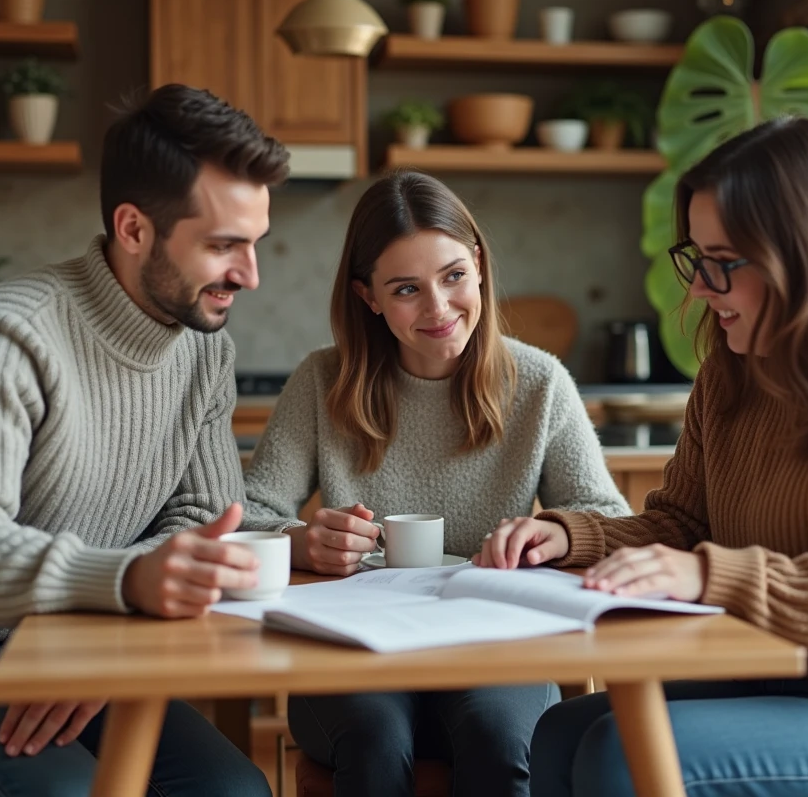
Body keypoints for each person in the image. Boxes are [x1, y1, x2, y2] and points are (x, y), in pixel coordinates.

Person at [477, 116, 808, 796]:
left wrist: (709, 577)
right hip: (784, 682)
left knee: (617, 755)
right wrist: (567, 535)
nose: (699, 288)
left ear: (807, 255)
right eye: (695, 259)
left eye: (723, 264)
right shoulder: (733, 373)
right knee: (558, 733)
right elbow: (682, 525)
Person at [0, 84, 289, 796]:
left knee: (235, 790)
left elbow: (202, 519)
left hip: (67, 634)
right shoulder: (9, 332)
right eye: (225, 246)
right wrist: (125, 585)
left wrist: (105, 635)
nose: (250, 275)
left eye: (254, 244)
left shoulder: (204, 355)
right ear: (134, 228)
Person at [241, 170, 630, 797]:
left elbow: (607, 520)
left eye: (453, 276)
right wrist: (301, 540)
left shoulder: (539, 383)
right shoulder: (322, 381)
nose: (439, 308)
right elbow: (253, 514)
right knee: (374, 741)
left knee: (502, 740)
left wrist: (555, 531)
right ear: (368, 296)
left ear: (477, 265)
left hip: (493, 645)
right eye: (405, 289)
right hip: (355, 652)